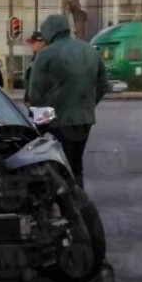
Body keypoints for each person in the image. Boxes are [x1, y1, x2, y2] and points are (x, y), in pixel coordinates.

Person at [28, 14, 109, 189]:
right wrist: (86, 104)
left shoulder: (46, 54)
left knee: (54, 162)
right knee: (76, 163)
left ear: (50, 31)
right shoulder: (89, 50)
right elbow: (103, 85)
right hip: (84, 116)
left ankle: (60, 201)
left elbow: (35, 94)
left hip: (56, 118)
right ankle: (79, 199)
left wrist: (40, 120)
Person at [23, 31, 46, 105]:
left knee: (45, 116)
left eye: (33, 43)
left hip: (43, 102)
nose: (30, 45)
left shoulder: (46, 59)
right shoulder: (35, 58)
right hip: (34, 101)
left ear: (41, 43)